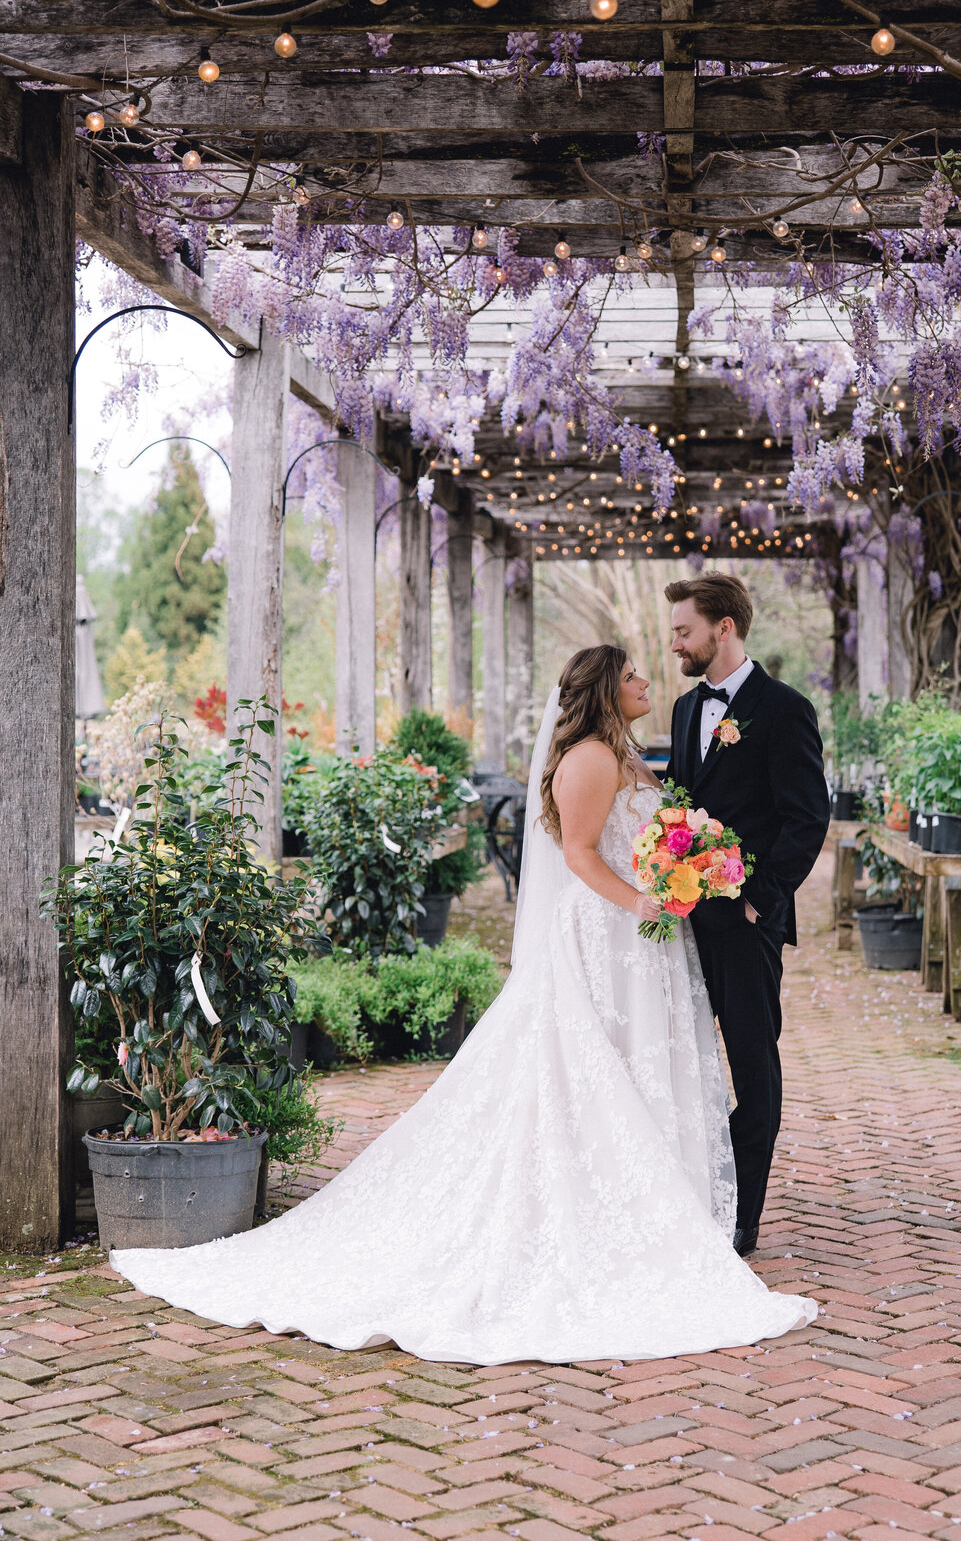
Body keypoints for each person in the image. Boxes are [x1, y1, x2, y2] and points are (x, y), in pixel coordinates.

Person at [110, 645, 817, 1363]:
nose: (646, 682)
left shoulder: (625, 752)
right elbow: (578, 853)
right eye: (632, 675)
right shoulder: (591, 760)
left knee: (630, 1073)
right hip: (608, 936)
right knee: (584, 1075)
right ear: (606, 688)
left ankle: (645, 1207)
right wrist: (643, 898)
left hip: (643, 941)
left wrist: (688, 865)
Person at [665, 576, 830, 1258]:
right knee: (682, 1060)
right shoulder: (682, 709)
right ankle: (694, 1192)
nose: (674, 640)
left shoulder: (784, 709)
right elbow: (682, 801)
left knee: (752, 1065)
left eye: (684, 630)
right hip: (682, 921)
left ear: (723, 628)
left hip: (748, 922)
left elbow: (806, 816)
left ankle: (743, 1217)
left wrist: (765, 895)